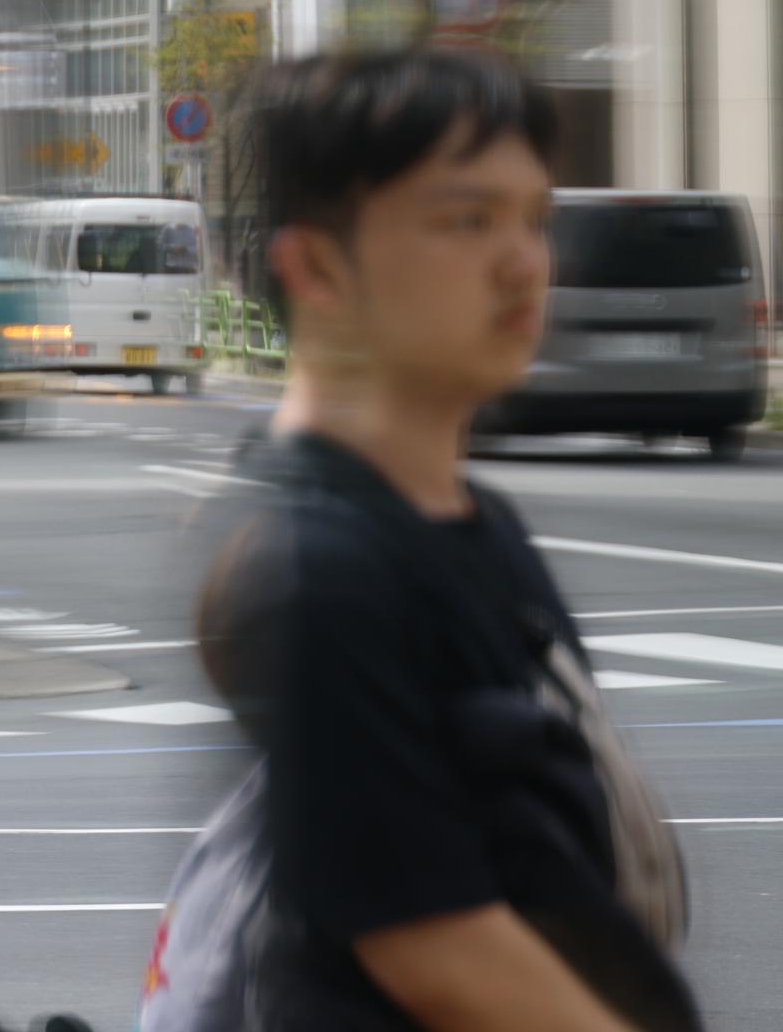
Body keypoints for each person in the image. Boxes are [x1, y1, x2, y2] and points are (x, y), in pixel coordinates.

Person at [178, 50, 700, 1032]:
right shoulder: (312, 564)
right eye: (467, 219)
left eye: (533, 218)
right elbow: (436, 948)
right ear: (317, 265)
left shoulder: (477, 522)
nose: (523, 261)